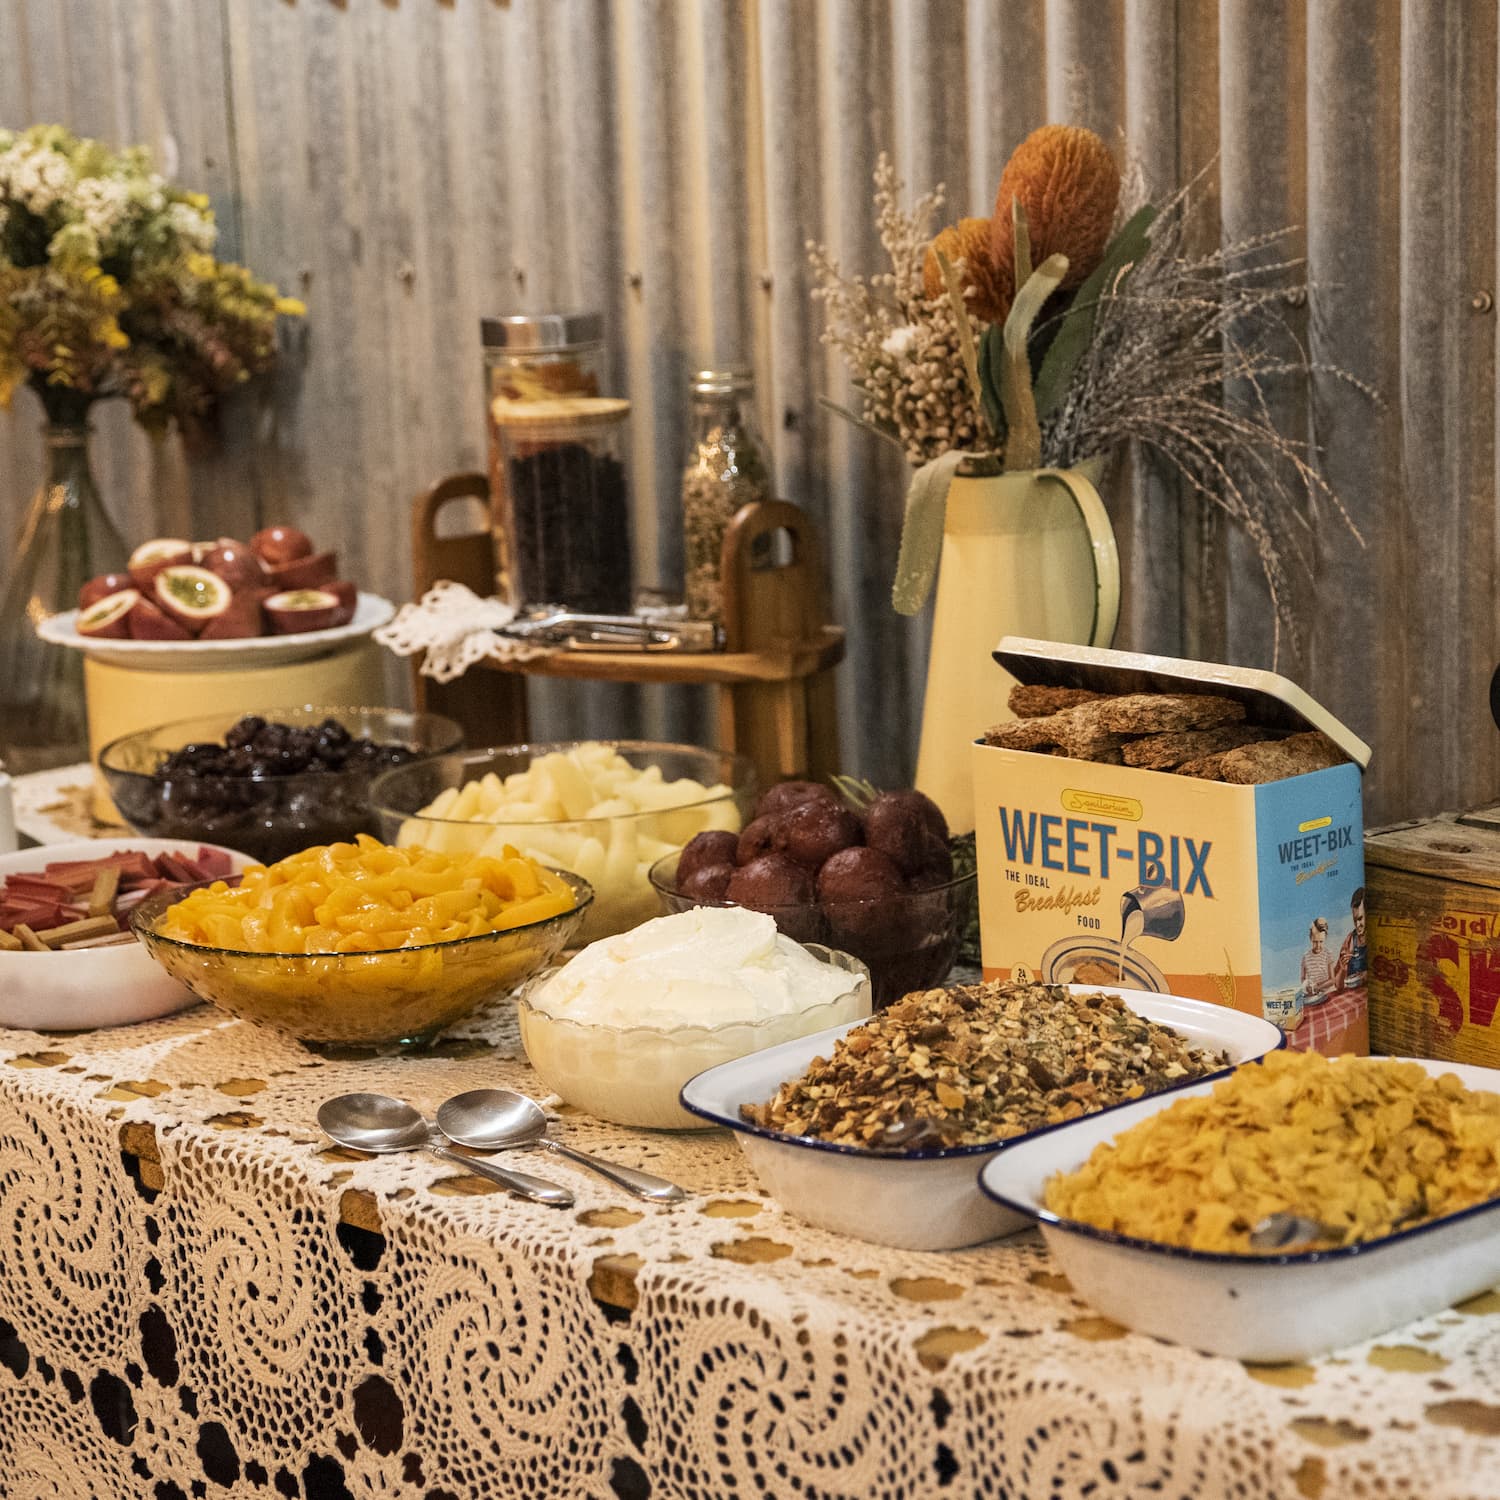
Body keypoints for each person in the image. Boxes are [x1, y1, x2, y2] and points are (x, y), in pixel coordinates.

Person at [1333, 887, 1368, 991]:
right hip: (1353, 997)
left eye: (1360, 919)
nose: (1357, 925)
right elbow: (1338, 986)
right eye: (1354, 920)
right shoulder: (1350, 941)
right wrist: (1343, 969)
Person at [1299, 916, 1334, 1001]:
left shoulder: (1328, 954)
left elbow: (1332, 980)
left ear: (1325, 938)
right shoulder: (1305, 957)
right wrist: (1307, 987)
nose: (1318, 945)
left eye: (1321, 941)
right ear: (1310, 938)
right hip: (1313, 996)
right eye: (1315, 942)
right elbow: (1303, 978)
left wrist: (1318, 987)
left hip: (1328, 993)